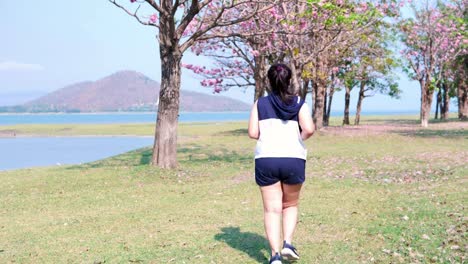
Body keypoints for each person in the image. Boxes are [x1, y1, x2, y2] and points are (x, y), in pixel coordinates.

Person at [248, 63, 315, 264]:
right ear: (289, 80)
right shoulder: (300, 103)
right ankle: (287, 243)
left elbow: (252, 133)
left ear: (269, 80)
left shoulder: (260, 104)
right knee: (290, 204)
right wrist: (298, 138)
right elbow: (309, 129)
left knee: (271, 209)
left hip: (266, 159)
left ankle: (275, 256)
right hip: (293, 158)